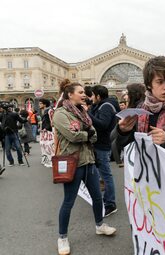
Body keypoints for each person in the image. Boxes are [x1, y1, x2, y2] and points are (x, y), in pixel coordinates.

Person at [53, 79, 116, 255]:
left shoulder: (83, 112)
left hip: (89, 160)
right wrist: (86, 134)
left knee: (97, 197)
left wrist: (86, 134)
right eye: (80, 92)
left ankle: (99, 225)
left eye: (84, 92)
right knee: (69, 201)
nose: (84, 95)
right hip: (73, 162)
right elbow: (72, 136)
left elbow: (94, 135)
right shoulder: (60, 114)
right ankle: (62, 237)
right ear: (70, 94)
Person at [88, 85, 119, 217]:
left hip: (103, 144)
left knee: (106, 175)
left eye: (92, 95)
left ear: (98, 96)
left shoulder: (106, 106)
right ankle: (104, 199)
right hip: (99, 143)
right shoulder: (102, 105)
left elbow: (102, 125)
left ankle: (110, 204)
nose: (91, 98)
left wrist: (88, 114)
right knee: (102, 174)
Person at [110, 83, 146, 167]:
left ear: (133, 95)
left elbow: (114, 138)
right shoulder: (143, 108)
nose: (126, 96)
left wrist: (120, 130)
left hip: (136, 155)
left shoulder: (133, 112)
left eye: (127, 93)